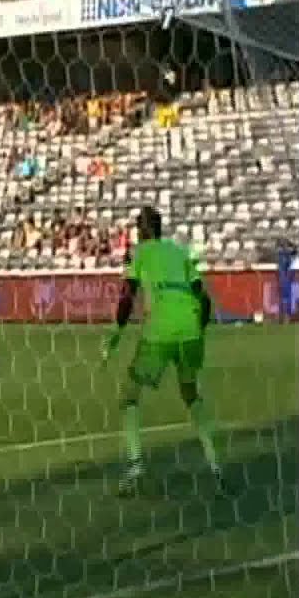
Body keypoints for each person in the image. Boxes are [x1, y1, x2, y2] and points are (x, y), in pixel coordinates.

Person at [101, 208, 230, 497]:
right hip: (191, 329)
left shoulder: (141, 253)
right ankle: (215, 467)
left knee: (129, 396)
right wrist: (197, 330)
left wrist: (116, 335)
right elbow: (203, 298)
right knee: (192, 395)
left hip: (160, 331)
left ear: (141, 231)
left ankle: (135, 466)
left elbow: (127, 296)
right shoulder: (180, 252)